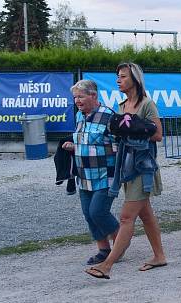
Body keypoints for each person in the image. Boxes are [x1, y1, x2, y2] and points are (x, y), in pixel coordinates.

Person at [85, 62, 167, 279]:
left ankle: (107, 265)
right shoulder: (122, 106)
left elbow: (158, 135)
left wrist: (135, 130)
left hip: (143, 168)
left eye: (122, 77)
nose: (118, 80)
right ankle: (159, 256)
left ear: (135, 80)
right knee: (146, 215)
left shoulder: (147, 104)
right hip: (127, 167)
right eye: (118, 77)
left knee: (125, 217)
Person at [62, 79, 119, 266]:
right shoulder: (79, 116)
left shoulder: (109, 116)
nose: (77, 101)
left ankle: (120, 245)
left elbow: (119, 146)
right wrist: (73, 146)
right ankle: (103, 250)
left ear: (93, 95)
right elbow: (83, 140)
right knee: (88, 214)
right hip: (84, 176)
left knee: (98, 212)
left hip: (105, 175)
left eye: (81, 96)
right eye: (75, 97)